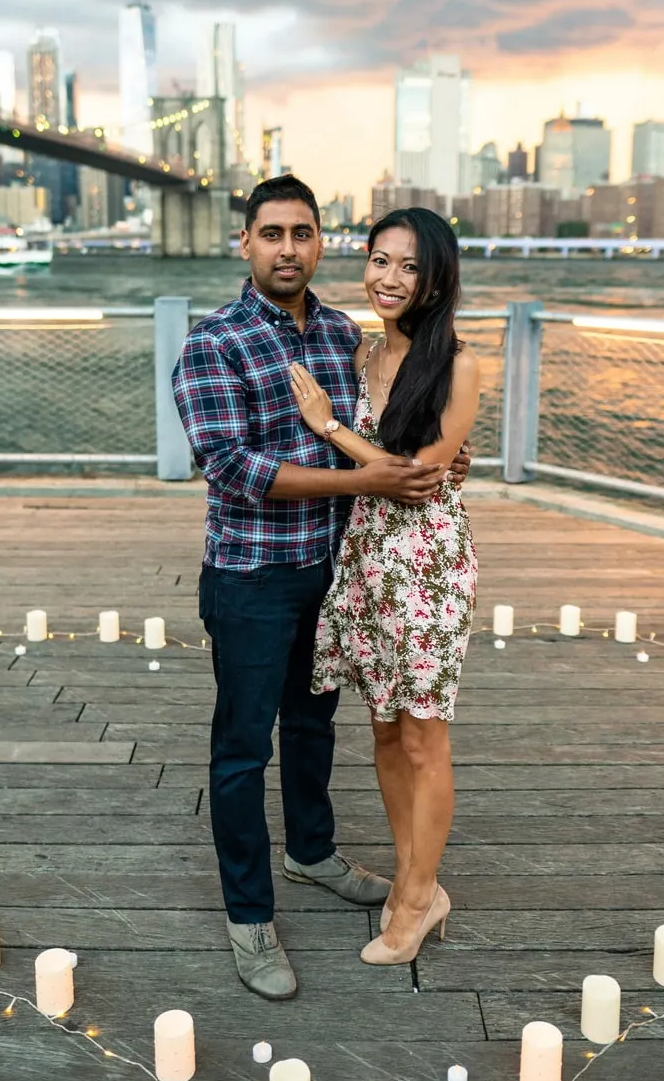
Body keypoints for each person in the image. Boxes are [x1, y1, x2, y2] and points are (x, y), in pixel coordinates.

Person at [172, 175, 467, 1000]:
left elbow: (386, 430)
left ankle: (310, 852)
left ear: (319, 243)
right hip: (250, 575)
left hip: (338, 571)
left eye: (303, 233)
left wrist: (435, 456)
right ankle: (249, 915)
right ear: (246, 244)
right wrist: (369, 485)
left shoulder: (345, 334)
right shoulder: (213, 343)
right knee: (241, 748)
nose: (289, 248)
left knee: (313, 727)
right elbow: (235, 471)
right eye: (272, 234)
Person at [289, 206, 479, 967]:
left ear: (435, 277)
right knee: (384, 729)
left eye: (408, 265)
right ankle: (411, 876)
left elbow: (414, 478)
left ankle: (417, 896)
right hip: (365, 556)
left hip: (428, 563)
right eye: (378, 259)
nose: (389, 278)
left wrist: (329, 426)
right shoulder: (360, 351)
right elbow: (385, 478)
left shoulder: (459, 362)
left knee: (425, 734)